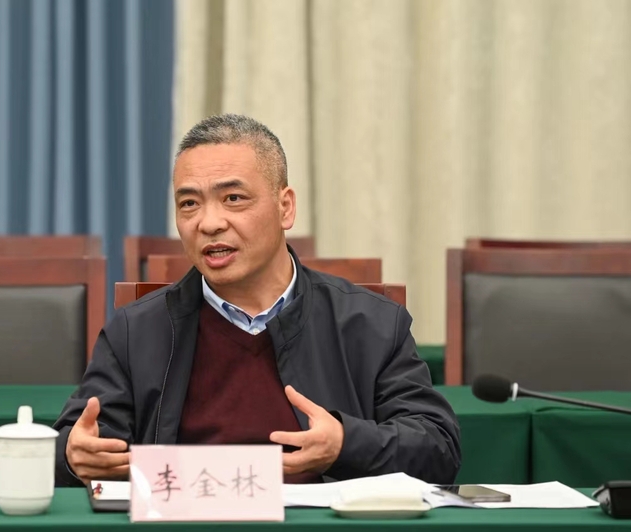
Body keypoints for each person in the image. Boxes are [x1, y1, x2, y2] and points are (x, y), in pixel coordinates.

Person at [53, 114, 461, 487]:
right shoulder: (136, 330)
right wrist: (74, 455)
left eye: (233, 198)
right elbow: (73, 444)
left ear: (285, 208)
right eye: (189, 204)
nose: (209, 223)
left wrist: (344, 443)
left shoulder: (371, 323)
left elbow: (437, 448)